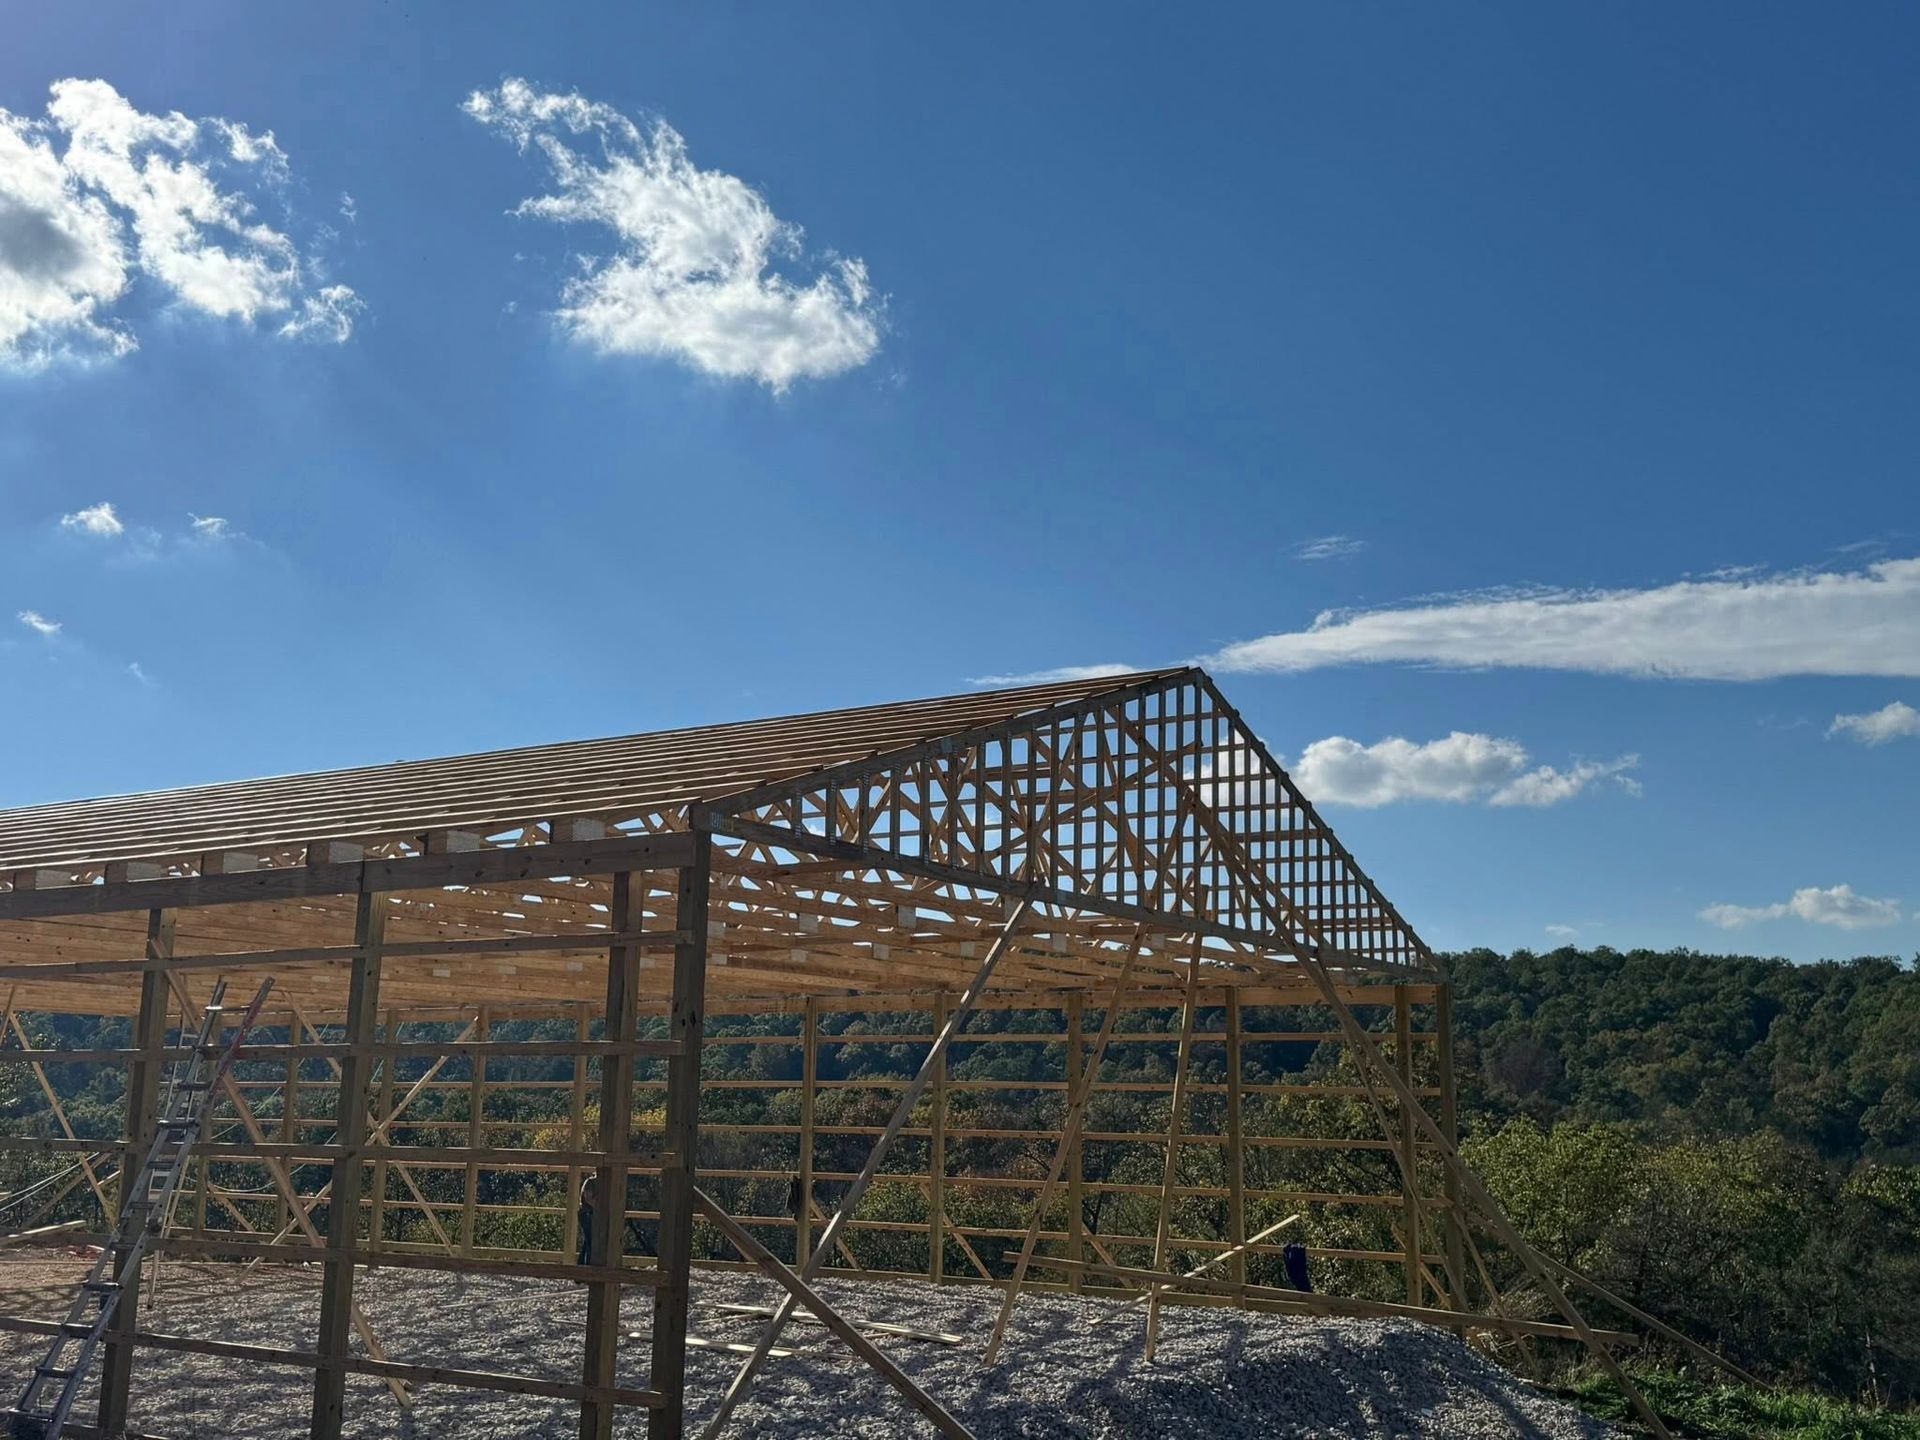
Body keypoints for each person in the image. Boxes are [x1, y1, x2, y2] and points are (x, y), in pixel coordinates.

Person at [576, 1174, 598, 1266]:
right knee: (590, 1242)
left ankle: (581, 1267)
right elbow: (587, 1198)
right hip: (587, 1213)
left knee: (588, 1243)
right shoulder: (590, 1182)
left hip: (592, 1214)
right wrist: (599, 1207)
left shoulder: (596, 1182)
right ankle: (587, 1267)